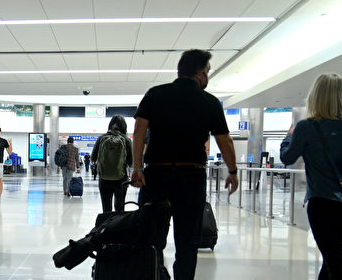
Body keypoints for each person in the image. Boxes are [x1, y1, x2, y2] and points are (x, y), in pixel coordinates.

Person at [130, 49, 238, 280]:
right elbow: (224, 141)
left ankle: (153, 273)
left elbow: (138, 132)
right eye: (208, 71)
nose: (208, 77)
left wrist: (137, 167)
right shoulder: (209, 102)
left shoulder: (155, 94)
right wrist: (233, 171)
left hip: (156, 174)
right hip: (191, 176)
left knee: (150, 235)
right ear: (199, 73)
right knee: (188, 241)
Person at [280, 73, 342, 280]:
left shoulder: (307, 127)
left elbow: (287, 158)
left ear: (315, 96)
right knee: (331, 259)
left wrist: (288, 137)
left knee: (335, 263)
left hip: (322, 203)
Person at [91, 114, 133, 212]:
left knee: (106, 209)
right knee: (119, 208)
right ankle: (118, 227)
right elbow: (131, 161)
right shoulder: (126, 139)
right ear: (124, 126)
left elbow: (93, 157)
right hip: (121, 178)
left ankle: (106, 226)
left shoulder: (102, 138)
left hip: (104, 178)